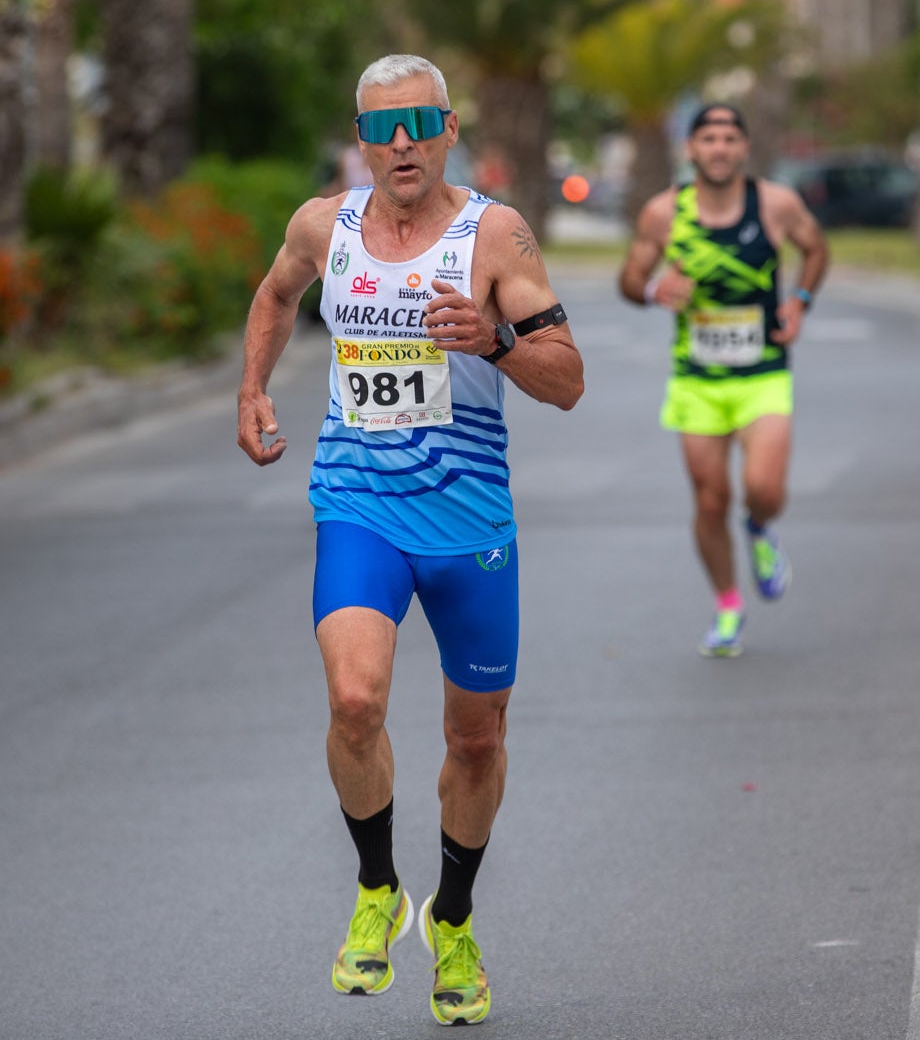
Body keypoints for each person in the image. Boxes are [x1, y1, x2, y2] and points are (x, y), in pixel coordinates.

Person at [235, 54, 583, 1027]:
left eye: (418, 123)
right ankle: (377, 887)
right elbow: (275, 296)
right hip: (358, 503)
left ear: (447, 128)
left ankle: (455, 916)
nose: (400, 143)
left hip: (469, 521)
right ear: (359, 137)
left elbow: (568, 378)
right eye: (381, 127)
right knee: (355, 699)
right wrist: (253, 385)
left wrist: (495, 341)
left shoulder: (495, 234)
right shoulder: (323, 225)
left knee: (474, 739)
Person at [616, 103, 830, 657]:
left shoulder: (776, 204)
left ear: (744, 148)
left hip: (763, 376)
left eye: (730, 138)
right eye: (708, 138)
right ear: (691, 149)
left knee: (764, 489)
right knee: (710, 501)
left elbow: (816, 248)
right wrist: (652, 291)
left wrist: (800, 301)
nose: (719, 148)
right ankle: (728, 605)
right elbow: (631, 277)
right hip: (697, 382)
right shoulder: (664, 213)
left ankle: (759, 528)